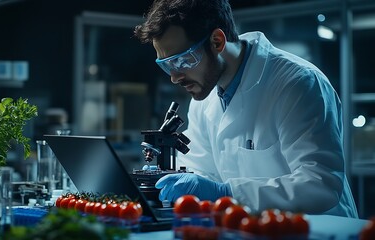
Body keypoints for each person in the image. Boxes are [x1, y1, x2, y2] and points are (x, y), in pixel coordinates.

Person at [134, 0, 358, 218]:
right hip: (249, 229)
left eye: (182, 61)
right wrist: (167, 181)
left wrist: (226, 193)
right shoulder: (204, 100)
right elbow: (200, 172)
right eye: (166, 65)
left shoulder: (296, 83)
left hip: (318, 229)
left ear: (217, 42)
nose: (174, 77)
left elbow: (320, 185)